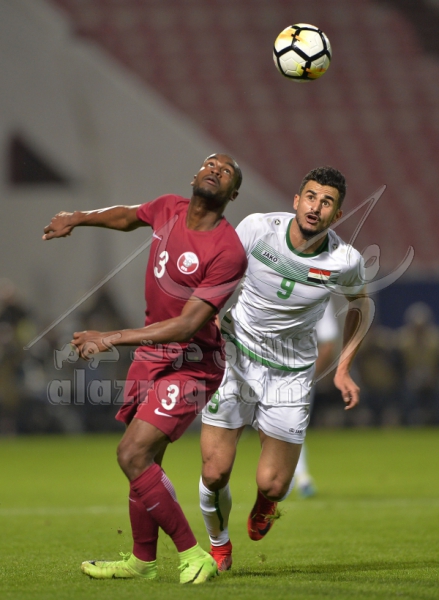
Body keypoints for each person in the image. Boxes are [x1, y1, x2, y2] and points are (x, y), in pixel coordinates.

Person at [42, 153, 248, 584]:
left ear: (233, 193)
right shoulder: (168, 208)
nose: (215, 170)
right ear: (195, 175)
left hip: (192, 363)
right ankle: (142, 561)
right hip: (152, 356)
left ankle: (193, 554)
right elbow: (125, 216)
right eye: (210, 164)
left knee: (131, 454)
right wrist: (77, 217)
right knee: (145, 460)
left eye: (226, 171)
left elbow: (188, 325)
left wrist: (110, 338)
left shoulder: (228, 250)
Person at [199, 166, 369, 571]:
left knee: (274, 483)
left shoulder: (345, 260)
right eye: (310, 197)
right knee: (215, 471)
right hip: (236, 358)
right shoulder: (258, 229)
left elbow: (360, 305)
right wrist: (207, 314)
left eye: (326, 202)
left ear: (337, 214)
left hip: (290, 374)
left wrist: (343, 368)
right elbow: (216, 270)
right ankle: (219, 546)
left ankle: (266, 504)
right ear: (296, 200)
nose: (315, 207)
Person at [293, 296, 339, 497]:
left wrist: (308, 376)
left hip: (297, 372)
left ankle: (299, 477)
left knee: (292, 427)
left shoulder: (318, 293)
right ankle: (294, 478)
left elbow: (328, 344)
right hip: (265, 369)